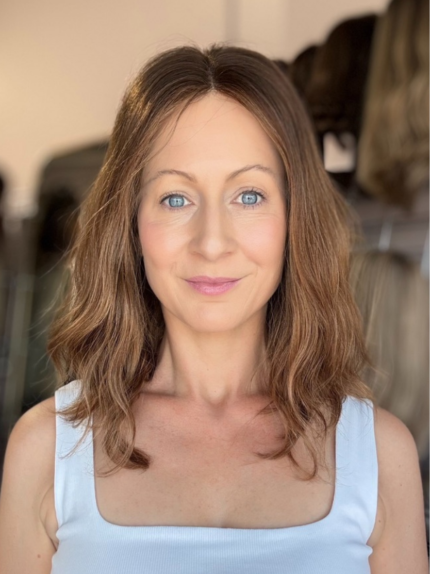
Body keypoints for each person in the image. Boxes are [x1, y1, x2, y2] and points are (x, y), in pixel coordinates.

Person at [0, 44, 427, 574]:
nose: (212, 242)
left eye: (248, 196)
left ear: (294, 218)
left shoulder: (380, 455)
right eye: (176, 198)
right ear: (131, 224)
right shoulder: (46, 450)